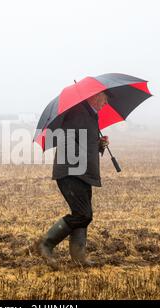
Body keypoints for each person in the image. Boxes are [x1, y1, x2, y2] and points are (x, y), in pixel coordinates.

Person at [36, 91, 109, 269]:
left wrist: (98, 143)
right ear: (95, 97)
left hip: (82, 173)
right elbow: (69, 142)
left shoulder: (90, 116)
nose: (105, 104)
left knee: (82, 214)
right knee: (83, 215)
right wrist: (91, 144)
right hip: (71, 173)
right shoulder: (78, 114)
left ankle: (78, 257)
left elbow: (82, 141)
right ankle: (45, 244)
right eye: (104, 100)